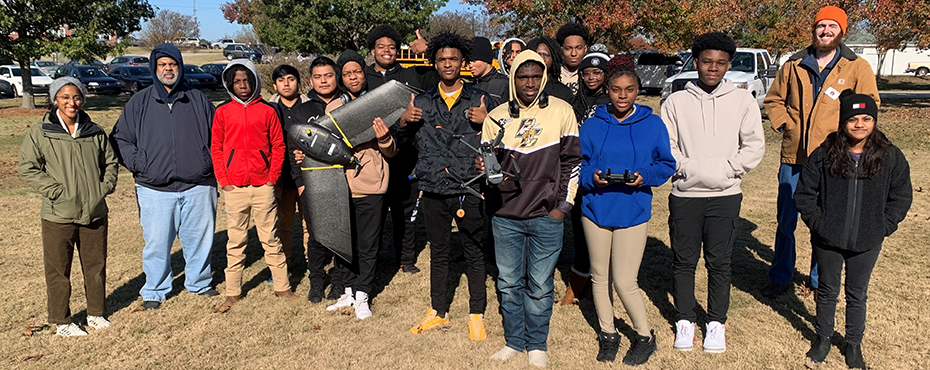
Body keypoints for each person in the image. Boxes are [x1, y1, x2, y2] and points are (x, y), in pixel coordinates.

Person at [763, 5, 881, 299]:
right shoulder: (793, 64)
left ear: (842, 31)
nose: (825, 31)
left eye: (832, 26)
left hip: (833, 159)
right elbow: (774, 100)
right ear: (813, 29)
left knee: (826, 223)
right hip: (794, 158)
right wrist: (785, 126)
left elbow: (869, 106)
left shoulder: (857, 67)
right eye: (820, 26)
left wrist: (846, 139)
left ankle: (819, 281)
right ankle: (780, 277)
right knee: (786, 221)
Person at [661, 32, 765, 353]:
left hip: (726, 194)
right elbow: (667, 147)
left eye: (720, 63)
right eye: (707, 61)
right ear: (696, 62)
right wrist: (688, 169)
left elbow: (754, 146)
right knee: (684, 261)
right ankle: (684, 320)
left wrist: (729, 169)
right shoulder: (676, 101)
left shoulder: (743, 100)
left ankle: (716, 323)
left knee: (720, 262)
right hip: (685, 194)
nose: (713, 68)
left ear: (728, 64)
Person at [795, 91, 911, 370]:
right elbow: (805, 194)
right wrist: (820, 224)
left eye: (867, 118)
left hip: (868, 240)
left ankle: (853, 344)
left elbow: (901, 196)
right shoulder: (823, 154)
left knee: (857, 293)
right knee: (827, 289)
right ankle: (823, 338)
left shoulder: (890, 156)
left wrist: (883, 226)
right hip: (828, 239)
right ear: (843, 122)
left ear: (874, 121)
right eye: (853, 119)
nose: (860, 124)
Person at [482, 50, 581, 367]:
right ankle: (514, 341)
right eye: (522, 76)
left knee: (540, 286)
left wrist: (562, 207)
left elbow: (572, 162)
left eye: (535, 76)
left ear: (543, 77)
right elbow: (489, 169)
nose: (529, 82)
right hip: (506, 216)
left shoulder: (562, 111)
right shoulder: (496, 116)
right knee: (509, 284)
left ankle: (537, 344)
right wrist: (484, 167)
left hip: (546, 216)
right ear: (513, 79)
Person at [396, 32, 492, 341]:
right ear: (433, 63)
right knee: (438, 253)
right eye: (441, 59)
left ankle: (476, 312)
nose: (447, 64)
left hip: (469, 188)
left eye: (453, 58)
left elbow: (502, 139)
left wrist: (488, 120)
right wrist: (402, 121)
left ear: (462, 62)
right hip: (434, 188)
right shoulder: (422, 102)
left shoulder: (479, 98)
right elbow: (399, 144)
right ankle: (438, 310)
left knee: (474, 252)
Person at [110, 44, 219, 310]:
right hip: (154, 188)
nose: (168, 69)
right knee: (157, 243)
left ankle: (200, 283)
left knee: (200, 240)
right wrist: (139, 164)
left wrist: (209, 164)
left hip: (198, 184)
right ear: (154, 68)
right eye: (163, 65)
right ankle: (155, 290)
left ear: (180, 67)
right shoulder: (140, 101)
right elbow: (120, 138)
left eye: (173, 64)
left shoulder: (197, 99)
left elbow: (218, 136)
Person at [579, 68, 675, 364]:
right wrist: (591, 177)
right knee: (599, 277)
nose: (623, 95)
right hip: (595, 208)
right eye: (617, 89)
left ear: (638, 90)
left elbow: (666, 164)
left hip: (632, 210)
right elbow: (576, 164)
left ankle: (645, 336)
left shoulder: (653, 124)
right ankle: (608, 334)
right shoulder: (593, 125)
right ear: (607, 89)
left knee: (624, 280)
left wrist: (643, 176)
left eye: (629, 89)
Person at [19, 78, 118, 337]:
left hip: (94, 212)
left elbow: (110, 163)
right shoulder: (41, 131)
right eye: (64, 97)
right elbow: (28, 167)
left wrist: (103, 188)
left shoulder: (94, 131)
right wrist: (55, 191)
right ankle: (62, 321)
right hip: (58, 214)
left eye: (76, 97)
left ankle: (96, 314)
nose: (71, 102)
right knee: (58, 271)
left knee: (95, 267)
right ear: (55, 100)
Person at [212, 60, 300, 313]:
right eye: (237, 81)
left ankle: (283, 287)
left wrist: (272, 178)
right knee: (235, 241)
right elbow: (216, 148)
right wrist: (225, 181)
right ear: (230, 84)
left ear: (254, 82)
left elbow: (278, 146)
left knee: (271, 238)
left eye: (246, 80)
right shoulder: (222, 112)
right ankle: (232, 292)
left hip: (263, 186)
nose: (242, 85)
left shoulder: (268, 111)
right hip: (235, 188)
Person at [320, 49, 396, 320]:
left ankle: (363, 294)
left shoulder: (378, 104)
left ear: (365, 74)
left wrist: (385, 138)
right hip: (339, 186)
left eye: (358, 72)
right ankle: (348, 291)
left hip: (371, 184)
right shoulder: (332, 109)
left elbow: (390, 152)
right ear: (342, 77)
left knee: (368, 242)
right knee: (344, 241)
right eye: (348, 73)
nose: (354, 77)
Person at [365, 24, 429, 275]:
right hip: (373, 157)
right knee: (374, 213)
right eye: (381, 47)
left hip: (406, 156)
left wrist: (428, 49)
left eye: (392, 47)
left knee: (405, 211)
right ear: (373, 52)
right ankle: (374, 258)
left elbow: (440, 67)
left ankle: (406, 259)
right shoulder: (364, 77)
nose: (387, 51)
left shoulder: (411, 75)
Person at [559, 51, 611, 306]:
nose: (591, 77)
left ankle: (596, 283)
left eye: (597, 72)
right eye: (586, 73)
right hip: (577, 171)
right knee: (579, 228)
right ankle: (581, 281)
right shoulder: (575, 100)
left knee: (599, 229)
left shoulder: (610, 101)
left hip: (601, 172)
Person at [301, 56, 344, 303]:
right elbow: (292, 149)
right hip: (313, 184)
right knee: (316, 237)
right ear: (311, 80)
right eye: (318, 77)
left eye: (328, 75)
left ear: (335, 77)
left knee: (340, 234)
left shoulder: (346, 104)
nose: (323, 80)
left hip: (341, 180)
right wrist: (300, 183)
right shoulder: (302, 109)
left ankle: (338, 283)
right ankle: (316, 282)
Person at [269, 65, 310, 274]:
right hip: (281, 176)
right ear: (274, 84)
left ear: (298, 82)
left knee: (309, 223)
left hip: (307, 175)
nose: (286, 84)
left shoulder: (309, 107)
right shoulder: (270, 109)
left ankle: (312, 263)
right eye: (281, 80)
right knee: (283, 224)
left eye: (291, 79)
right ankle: (282, 266)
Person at [525, 37, 575, 103]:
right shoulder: (520, 88)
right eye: (538, 54)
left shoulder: (564, 92)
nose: (542, 58)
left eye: (546, 54)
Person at [556, 22, 591, 96]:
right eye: (568, 48)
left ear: (585, 49)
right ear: (561, 50)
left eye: (578, 48)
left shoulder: (591, 75)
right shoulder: (554, 74)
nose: (573, 53)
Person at [470, 36, 509, 102]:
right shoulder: (471, 86)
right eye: (469, 61)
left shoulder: (505, 85)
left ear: (486, 60)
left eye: (474, 60)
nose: (470, 65)